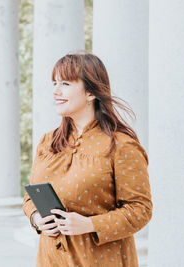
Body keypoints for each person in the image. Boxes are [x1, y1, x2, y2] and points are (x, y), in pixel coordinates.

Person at [22, 51, 153, 267]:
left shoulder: (121, 145)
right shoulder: (48, 142)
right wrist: (37, 218)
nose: (56, 91)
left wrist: (90, 224)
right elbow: (30, 198)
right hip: (50, 260)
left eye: (65, 83)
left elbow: (141, 209)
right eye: (54, 83)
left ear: (91, 92)